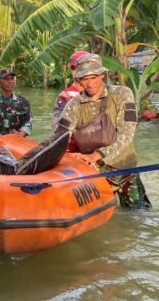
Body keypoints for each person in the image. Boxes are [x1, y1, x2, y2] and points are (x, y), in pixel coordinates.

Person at [56, 53, 151, 208]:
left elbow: (126, 133)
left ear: (102, 75)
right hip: (95, 172)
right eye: (84, 79)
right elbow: (60, 136)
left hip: (126, 168)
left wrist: (98, 155)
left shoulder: (122, 94)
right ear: (78, 80)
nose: (90, 83)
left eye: (94, 77)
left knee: (138, 215)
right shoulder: (73, 104)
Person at [0, 68, 32, 137]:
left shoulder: (23, 102)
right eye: (6, 79)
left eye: (12, 79)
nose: (10, 81)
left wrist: (20, 135)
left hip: (17, 142)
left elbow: (28, 122)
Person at [52, 50, 90, 126]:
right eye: (73, 67)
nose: (75, 71)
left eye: (79, 67)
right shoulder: (65, 95)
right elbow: (55, 124)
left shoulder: (103, 92)